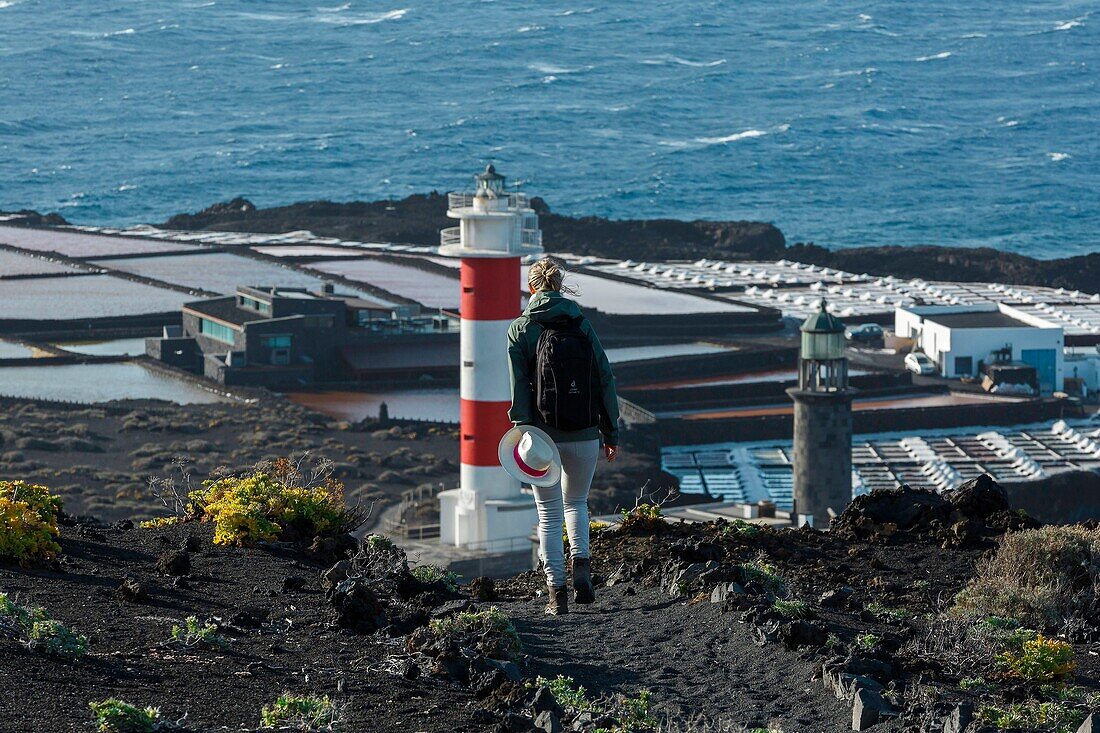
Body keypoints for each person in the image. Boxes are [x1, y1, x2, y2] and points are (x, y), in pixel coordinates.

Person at [506, 257, 620, 615]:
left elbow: (518, 389)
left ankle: (557, 592)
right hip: (585, 432)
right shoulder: (581, 323)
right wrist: (610, 429)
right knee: (577, 503)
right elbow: (605, 377)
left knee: (549, 513)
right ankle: (581, 566)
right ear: (559, 284)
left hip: (541, 438)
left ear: (531, 287)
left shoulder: (520, 329)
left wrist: (522, 429)